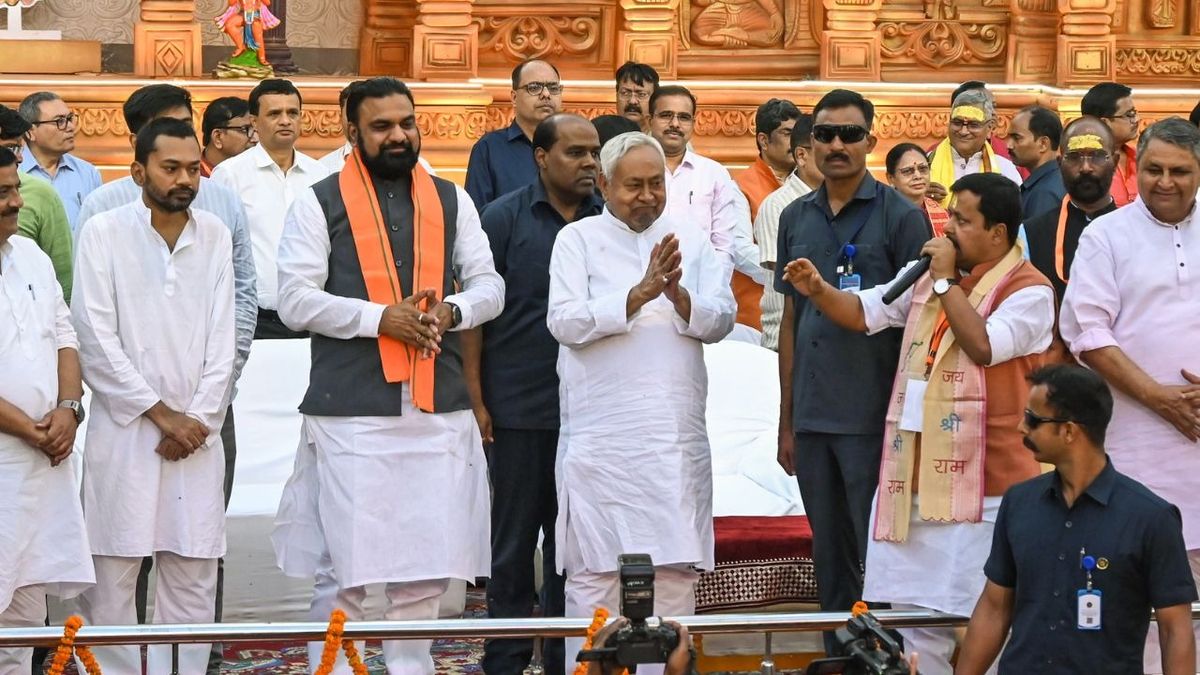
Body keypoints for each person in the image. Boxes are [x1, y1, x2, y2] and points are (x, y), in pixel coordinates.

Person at [270, 76, 503, 675]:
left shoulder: (451, 199)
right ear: (351, 131)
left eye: (406, 123)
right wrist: (379, 319)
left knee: (425, 570)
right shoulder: (319, 201)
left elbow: (490, 285)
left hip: (436, 408)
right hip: (353, 412)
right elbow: (293, 300)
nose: (399, 136)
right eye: (381, 126)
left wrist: (453, 311)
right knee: (345, 569)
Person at [783, 172, 1055, 675]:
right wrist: (818, 290)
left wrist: (947, 281)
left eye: (963, 221)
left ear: (998, 233)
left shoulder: (1030, 291)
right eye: (949, 216)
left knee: (989, 619)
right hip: (916, 478)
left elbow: (984, 345)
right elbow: (866, 312)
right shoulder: (927, 276)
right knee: (915, 624)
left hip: (988, 489)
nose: (947, 228)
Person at [74, 83, 256, 675]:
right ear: (138, 171)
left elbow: (224, 338)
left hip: (196, 437)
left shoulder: (215, 235)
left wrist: (197, 418)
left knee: (193, 567)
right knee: (112, 570)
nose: (184, 179)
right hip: (127, 432)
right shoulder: (104, 232)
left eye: (192, 169)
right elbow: (94, 336)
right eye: (169, 168)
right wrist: (162, 414)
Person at [547, 131, 735, 674]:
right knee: (595, 581)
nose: (648, 195)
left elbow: (722, 317)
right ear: (604, 184)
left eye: (656, 184)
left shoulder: (690, 238)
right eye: (634, 185)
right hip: (602, 448)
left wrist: (680, 297)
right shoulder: (577, 240)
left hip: (671, 446)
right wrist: (638, 294)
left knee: (672, 580)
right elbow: (564, 322)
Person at [773, 90, 930, 654]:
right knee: (829, 555)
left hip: (874, 417)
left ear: (871, 140)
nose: (837, 144)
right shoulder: (794, 216)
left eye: (850, 134)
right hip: (814, 416)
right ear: (810, 142)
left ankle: (887, 660)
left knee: (881, 554)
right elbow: (791, 319)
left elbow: (918, 324)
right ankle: (838, 658)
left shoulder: (902, 217)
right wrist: (786, 421)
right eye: (825, 134)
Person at [1059, 117, 1200, 675]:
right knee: (1136, 602)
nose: (1165, 182)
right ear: (1133, 168)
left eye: (1180, 171)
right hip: (1136, 449)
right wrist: (1161, 398)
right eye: (1153, 169)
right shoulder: (1106, 236)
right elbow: (1086, 333)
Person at [467, 113, 604, 675]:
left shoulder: (607, 220)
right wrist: (476, 399)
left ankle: (565, 659)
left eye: (594, 152)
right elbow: (474, 315)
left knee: (575, 549)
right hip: (518, 407)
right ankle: (505, 658)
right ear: (541, 157)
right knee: (514, 545)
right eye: (576, 152)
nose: (589, 163)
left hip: (590, 412)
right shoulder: (502, 219)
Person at [955, 365, 1198, 675]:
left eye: (1033, 419)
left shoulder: (1151, 518)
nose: (1021, 427)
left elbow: (1175, 629)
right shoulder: (1019, 502)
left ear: (1069, 431)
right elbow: (994, 607)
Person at [0, 146, 93, 674]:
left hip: (42, 466)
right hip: (11, 456)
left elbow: (64, 334)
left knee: (25, 604)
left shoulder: (31, 255)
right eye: (3, 193)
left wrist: (69, 409)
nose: (17, 201)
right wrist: (36, 431)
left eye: (15, 188)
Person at [211, 78, 330, 339]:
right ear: (254, 122)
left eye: (292, 113)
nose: (285, 121)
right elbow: (216, 249)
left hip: (315, 319)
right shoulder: (230, 174)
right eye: (275, 114)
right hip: (256, 320)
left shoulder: (321, 175)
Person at [648, 84, 767, 337]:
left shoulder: (713, 173)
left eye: (683, 117)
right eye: (666, 115)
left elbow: (724, 245)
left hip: (699, 302)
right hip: (644, 297)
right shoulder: (636, 170)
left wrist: (710, 296)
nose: (675, 124)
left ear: (693, 123)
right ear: (650, 120)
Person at [1021, 117, 1118, 308]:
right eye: (1074, 157)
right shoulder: (1030, 234)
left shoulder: (1136, 231)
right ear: (1059, 163)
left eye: (1097, 156)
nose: (1085, 168)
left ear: (1115, 161)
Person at [754, 112, 822, 351]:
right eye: (824, 150)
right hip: (786, 343)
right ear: (801, 156)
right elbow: (785, 274)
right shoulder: (778, 206)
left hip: (831, 340)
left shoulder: (841, 203)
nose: (836, 156)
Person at [465, 59, 563, 209]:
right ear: (514, 98)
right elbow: (476, 215)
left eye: (553, 88)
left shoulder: (575, 146)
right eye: (534, 88)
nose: (546, 94)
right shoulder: (489, 149)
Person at [0, 104, 73, 301]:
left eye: (19, 148)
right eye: (11, 148)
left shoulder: (42, 195)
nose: (19, 157)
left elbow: (64, 282)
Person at [17, 91, 102, 233]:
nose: (71, 127)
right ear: (30, 132)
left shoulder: (88, 173)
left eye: (70, 118)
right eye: (59, 121)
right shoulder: (12, 172)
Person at [927, 89, 1022, 206]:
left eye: (973, 125)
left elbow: (1016, 214)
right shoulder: (926, 164)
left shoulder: (1005, 170)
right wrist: (920, 196)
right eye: (957, 123)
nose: (963, 131)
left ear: (990, 127)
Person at [1081, 82, 1139, 207]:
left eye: (1135, 113)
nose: (1136, 120)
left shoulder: (1140, 157)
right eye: (1129, 115)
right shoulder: (1084, 167)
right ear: (1104, 123)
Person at [1006, 105, 1065, 221]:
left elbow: (1039, 232)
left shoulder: (1045, 193)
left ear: (1043, 144)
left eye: (1017, 138)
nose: (1009, 145)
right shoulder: (1054, 180)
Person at [886, 142, 950, 236]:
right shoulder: (881, 213)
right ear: (890, 178)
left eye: (923, 168)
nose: (918, 176)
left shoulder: (942, 213)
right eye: (907, 171)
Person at [200, 96, 257, 177]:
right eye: (245, 129)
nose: (255, 139)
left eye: (255, 130)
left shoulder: (258, 173)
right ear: (218, 137)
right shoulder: (193, 176)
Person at [614, 61, 659, 131]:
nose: (632, 101)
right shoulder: (601, 135)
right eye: (625, 93)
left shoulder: (662, 136)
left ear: (654, 100)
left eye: (641, 94)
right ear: (616, 96)